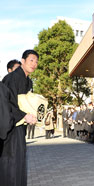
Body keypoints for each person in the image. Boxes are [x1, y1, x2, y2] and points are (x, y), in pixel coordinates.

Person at [0, 49, 38, 186]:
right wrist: (24, 116)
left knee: (19, 161)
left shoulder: (29, 81)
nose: (34, 64)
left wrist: (33, 115)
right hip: (10, 126)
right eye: (31, 60)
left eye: (36, 61)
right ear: (23, 61)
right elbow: (7, 104)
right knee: (10, 162)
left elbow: (28, 103)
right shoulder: (11, 78)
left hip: (20, 125)